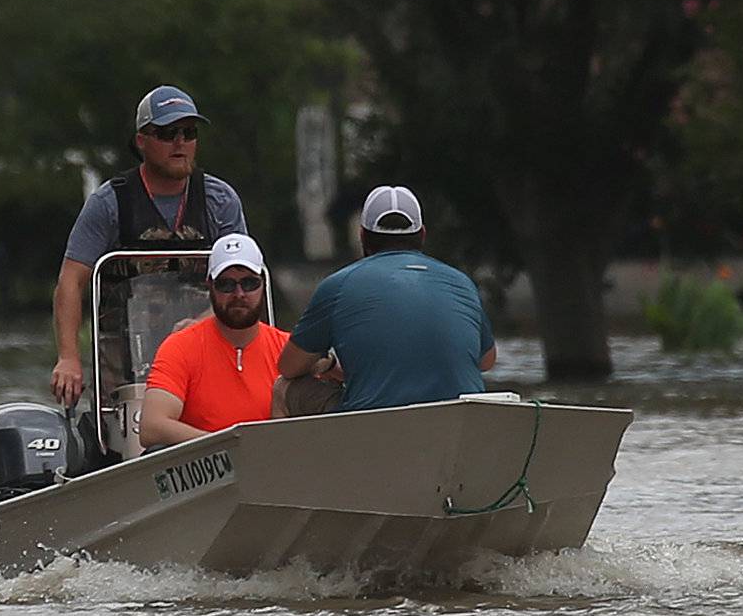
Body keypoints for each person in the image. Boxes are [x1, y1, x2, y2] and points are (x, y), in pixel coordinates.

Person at [51, 86, 247, 406]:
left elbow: (245, 280)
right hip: (126, 355)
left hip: (205, 347)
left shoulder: (220, 200)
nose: (180, 142)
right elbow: (70, 281)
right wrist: (68, 359)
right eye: (168, 133)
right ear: (142, 141)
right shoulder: (109, 203)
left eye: (189, 132)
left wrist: (201, 324)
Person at [275, 183, 495, 415]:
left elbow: (289, 367)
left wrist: (329, 364)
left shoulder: (338, 285)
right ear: (422, 235)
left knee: (284, 388)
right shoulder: (461, 282)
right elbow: (486, 361)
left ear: (362, 236)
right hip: (459, 421)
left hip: (375, 428)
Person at [138, 235, 290, 449]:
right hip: (205, 470)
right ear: (210, 286)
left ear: (263, 284)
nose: (239, 294)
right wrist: (229, 446)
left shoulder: (287, 348)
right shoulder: (180, 346)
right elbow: (152, 427)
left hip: (271, 465)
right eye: (226, 285)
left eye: (249, 283)